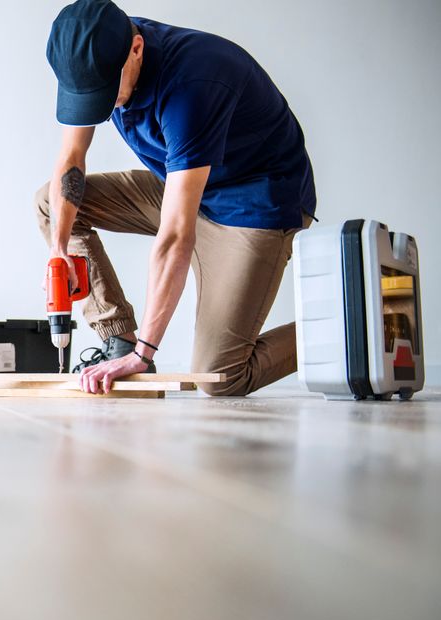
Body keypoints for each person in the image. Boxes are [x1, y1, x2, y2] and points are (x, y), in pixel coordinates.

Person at [37, 0, 316, 396]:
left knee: (220, 377)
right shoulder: (96, 57)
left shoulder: (193, 85)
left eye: (104, 92)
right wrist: (59, 250)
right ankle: (119, 339)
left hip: (252, 207)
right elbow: (71, 161)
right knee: (52, 205)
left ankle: (347, 323)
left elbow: (175, 236)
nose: (100, 104)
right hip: (182, 185)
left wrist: (145, 356)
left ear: (136, 49)